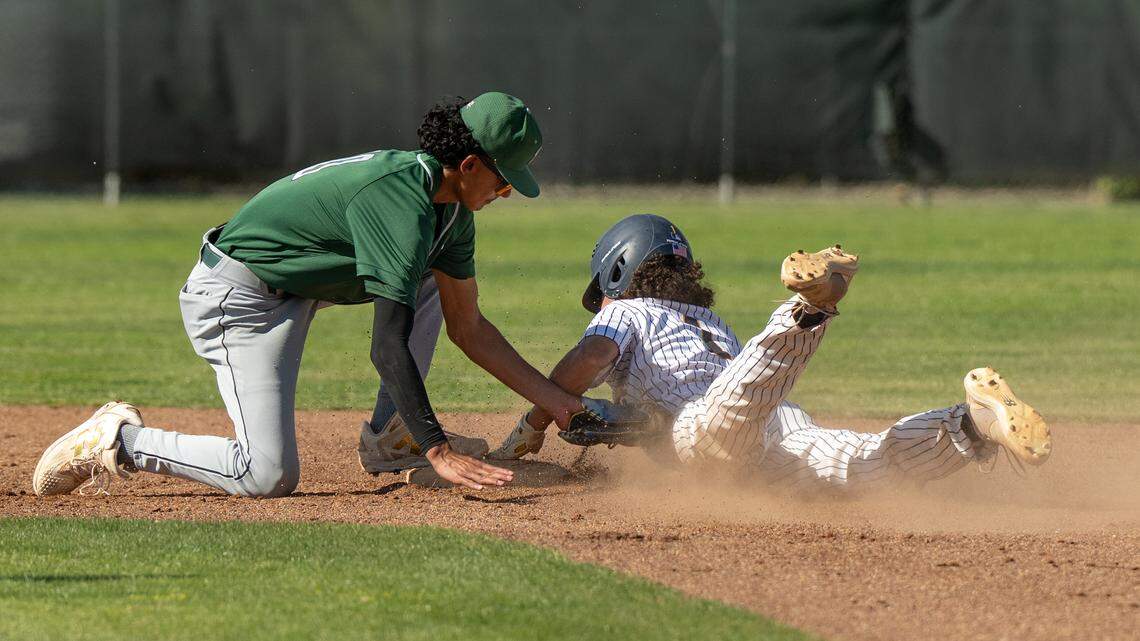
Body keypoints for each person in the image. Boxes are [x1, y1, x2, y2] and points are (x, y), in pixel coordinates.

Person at [33, 91, 587, 497]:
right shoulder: (400, 201)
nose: (508, 191)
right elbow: (386, 347)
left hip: (295, 288)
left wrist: (559, 405)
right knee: (265, 474)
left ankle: (393, 436)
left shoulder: (451, 211)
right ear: (468, 165)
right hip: (239, 298)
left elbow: (469, 328)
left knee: (428, 283)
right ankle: (118, 440)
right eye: (504, 178)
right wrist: (438, 448)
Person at [489, 214, 1051, 491]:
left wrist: (534, 420)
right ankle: (971, 427)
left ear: (618, 273)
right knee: (863, 463)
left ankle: (808, 308)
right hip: (776, 425)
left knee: (728, 410)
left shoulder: (627, 310)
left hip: (706, 424)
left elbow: (583, 365)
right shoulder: (709, 320)